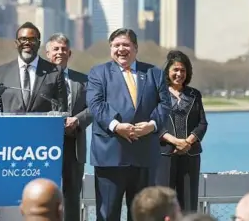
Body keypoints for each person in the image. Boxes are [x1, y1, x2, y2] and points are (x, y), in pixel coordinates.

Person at [86, 28, 171, 221]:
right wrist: (116, 126)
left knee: (144, 215)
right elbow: (96, 104)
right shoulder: (98, 73)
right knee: (108, 214)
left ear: (135, 48)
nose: (121, 49)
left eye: (126, 45)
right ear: (110, 49)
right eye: (116, 45)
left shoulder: (154, 73)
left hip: (144, 156)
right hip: (110, 156)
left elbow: (165, 104)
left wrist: (152, 125)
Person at [45, 33, 92, 221]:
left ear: (70, 53)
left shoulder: (83, 80)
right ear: (47, 53)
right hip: (45, 147)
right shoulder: (39, 81)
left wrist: (77, 120)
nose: (60, 52)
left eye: (64, 49)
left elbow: (94, 107)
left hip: (74, 146)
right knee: (45, 194)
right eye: (55, 49)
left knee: (72, 197)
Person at [156, 50, 208, 212]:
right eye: (175, 70)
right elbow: (154, 122)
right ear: (168, 72)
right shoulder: (158, 93)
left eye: (183, 70)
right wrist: (174, 141)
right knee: (164, 202)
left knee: (189, 202)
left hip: (190, 155)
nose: (179, 74)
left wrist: (188, 142)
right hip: (164, 154)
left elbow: (202, 123)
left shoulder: (194, 95)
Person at [0, 22, 67, 113]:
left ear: (39, 44)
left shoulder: (54, 72)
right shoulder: (1, 73)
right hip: (10, 127)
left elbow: (61, 109)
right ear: (16, 43)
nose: (27, 43)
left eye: (32, 39)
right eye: (23, 39)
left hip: (42, 126)